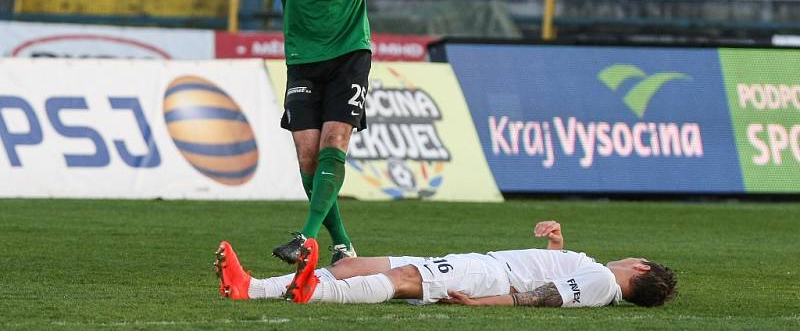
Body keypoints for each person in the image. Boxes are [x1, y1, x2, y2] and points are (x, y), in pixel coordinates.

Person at [262, 0, 415, 266]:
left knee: (334, 142)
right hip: (304, 55)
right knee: (308, 156)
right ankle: (343, 243)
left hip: (350, 50)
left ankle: (306, 238)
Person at [214, 220, 678, 308]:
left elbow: (542, 298)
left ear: (639, 269)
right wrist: (556, 246)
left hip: (488, 273)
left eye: (637, 259)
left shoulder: (601, 279)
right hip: (486, 267)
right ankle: (250, 287)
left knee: (400, 280)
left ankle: (312, 291)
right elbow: (555, 281)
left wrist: (486, 304)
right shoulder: (597, 283)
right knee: (354, 266)